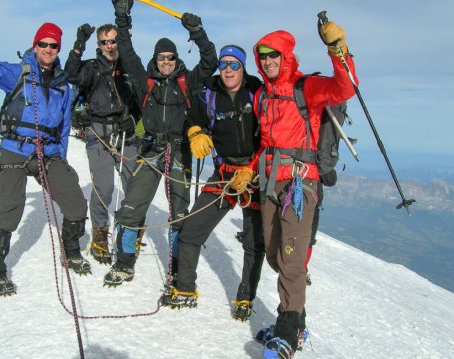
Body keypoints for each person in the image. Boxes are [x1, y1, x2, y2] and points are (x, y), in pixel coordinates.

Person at [229, 23, 357, 358]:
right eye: (263, 56)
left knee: (290, 259)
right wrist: (249, 168)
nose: (268, 60)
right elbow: (268, 144)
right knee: (273, 252)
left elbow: (345, 88)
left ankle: (287, 334)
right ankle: (296, 320)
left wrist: (338, 50)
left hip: (300, 184)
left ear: (285, 57)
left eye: (274, 55)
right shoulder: (265, 95)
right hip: (270, 181)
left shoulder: (306, 87)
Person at [0, 23, 90, 296]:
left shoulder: (63, 86)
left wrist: (63, 161)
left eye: (53, 45)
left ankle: (71, 252)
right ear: (35, 46)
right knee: (10, 211)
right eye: (43, 44)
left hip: (49, 151)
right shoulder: (17, 73)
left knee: (76, 204)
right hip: (15, 148)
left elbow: (65, 127)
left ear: (58, 49)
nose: (47, 49)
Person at [103, 0, 218, 287]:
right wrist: (122, 16)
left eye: (169, 57)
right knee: (131, 209)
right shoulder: (145, 81)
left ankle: (177, 269)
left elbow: (210, 62)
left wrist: (198, 33)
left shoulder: (188, 81)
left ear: (176, 58)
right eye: (160, 58)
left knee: (179, 216)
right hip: (151, 151)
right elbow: (126, 52)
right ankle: (124, 263)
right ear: (155, 60)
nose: (165, 62)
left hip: (180, 152)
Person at [159, 45, 265, 323]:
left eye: (234, 64)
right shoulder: (209, 94)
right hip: (224, 173)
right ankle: (184, 288)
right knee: (192, 229)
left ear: (243, 67)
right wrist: (195, 132)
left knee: (254, 242)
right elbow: (192, 119)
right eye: (224, 64)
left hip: (255, 175)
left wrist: (254, 171)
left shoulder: (258, 93)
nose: (228, 70)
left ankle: (246, 296)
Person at [65, 23, 140, 265]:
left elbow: (142, 99)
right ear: (98, 45)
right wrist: (78, 45)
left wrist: (133, 119)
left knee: (135, 186)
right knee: (104, 187)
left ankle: (131, 232)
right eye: (104, 42)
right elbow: (71, 75)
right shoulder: (91, 68)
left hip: (125, 131)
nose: (109, 46)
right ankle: (100, 236)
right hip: (98, 130)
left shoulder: (129, 67)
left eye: (113, 41)